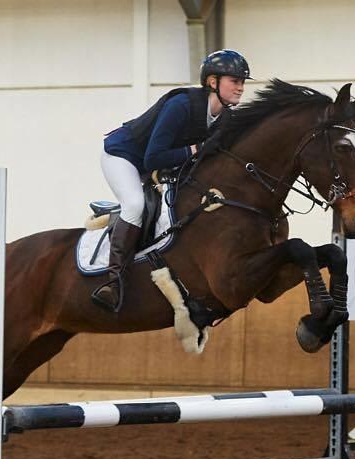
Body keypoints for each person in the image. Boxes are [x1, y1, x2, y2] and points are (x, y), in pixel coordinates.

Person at [92, 49, 251, 312]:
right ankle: (114, 282)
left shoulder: (225, 117)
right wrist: (196, 149)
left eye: (243, 82)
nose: (240, 88)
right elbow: (153, 158)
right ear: (213, 82)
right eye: (235, 81)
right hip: (123, 156)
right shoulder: (182, 106)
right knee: (134, 205)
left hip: (157, 162)